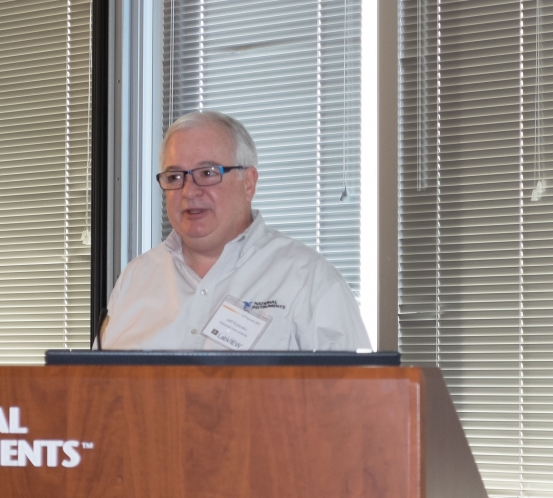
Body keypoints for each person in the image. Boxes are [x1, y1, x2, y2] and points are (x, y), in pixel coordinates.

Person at [101, 110, 371, 351]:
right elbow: (94, 384)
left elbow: (357, 389)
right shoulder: (135, 280)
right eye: (175, 177)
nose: (189, 191)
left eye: (208, 173)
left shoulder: (311, 282)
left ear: (248, 183)